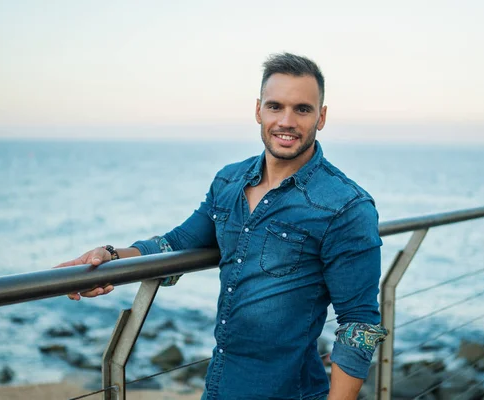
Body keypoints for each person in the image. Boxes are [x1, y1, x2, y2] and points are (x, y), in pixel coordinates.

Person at [56, 53, 387, 400]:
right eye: (275, 107)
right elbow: (178, 243)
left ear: (321, 117)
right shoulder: (229, 181)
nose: (286, 121)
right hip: (218, 387)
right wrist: (110, 259)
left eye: (302, 109)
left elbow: (359, 324)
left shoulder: (346, 206)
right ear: (258, 110)